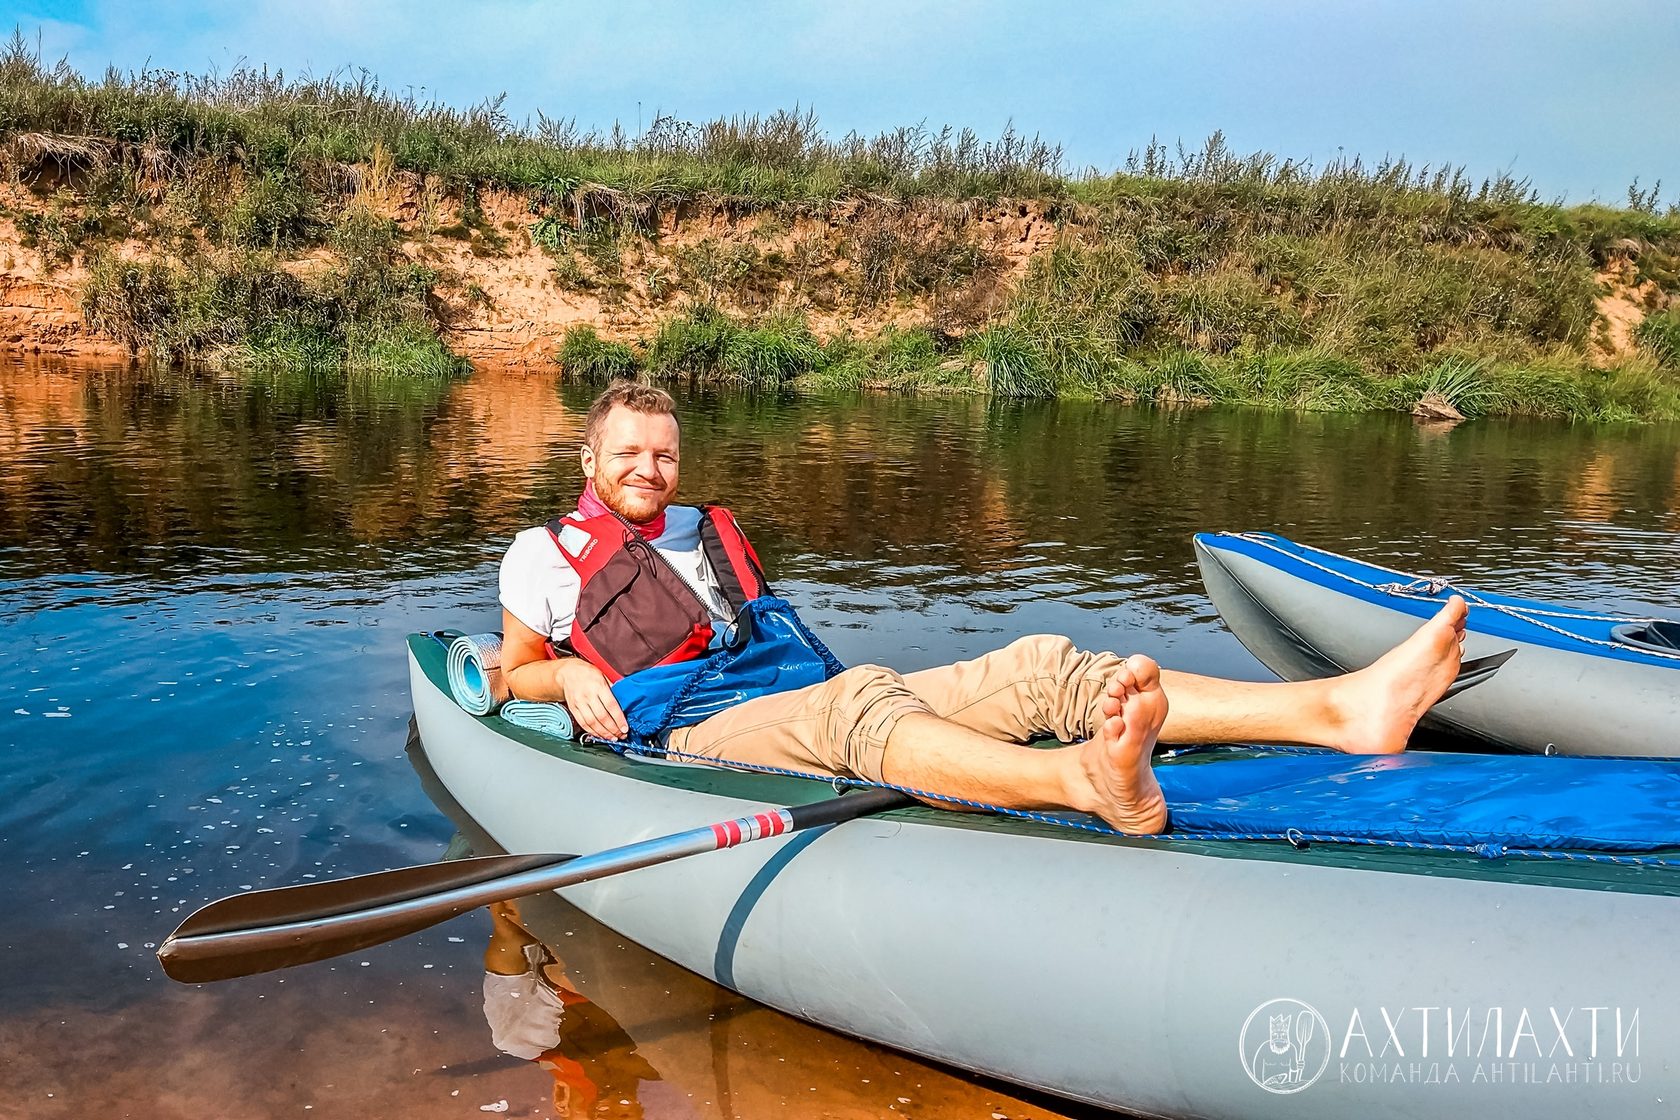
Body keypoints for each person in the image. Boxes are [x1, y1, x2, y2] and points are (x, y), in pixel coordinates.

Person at [498, 382, 1468, 836]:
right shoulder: (541, 555)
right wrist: (572, 668)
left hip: (809, 697)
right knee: (859, 704)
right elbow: (512, 672)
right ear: (590, 459)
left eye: (663, 453)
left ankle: (1337, 711)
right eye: (628, 453)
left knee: (1041, 662)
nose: (648, 468)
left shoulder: (706, 527)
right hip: (699, 733)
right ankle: (1083, 783)